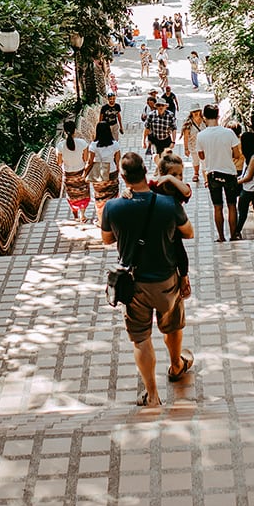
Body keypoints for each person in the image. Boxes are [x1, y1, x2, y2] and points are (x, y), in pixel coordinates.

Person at [102, 151, 194, 406]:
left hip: (134, 285)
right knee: (172, 325)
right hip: (166, 281)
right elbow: (188, 233)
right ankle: (176, 365)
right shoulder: (167, 204)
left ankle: (152, 395)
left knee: (141, 339)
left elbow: (107, 239)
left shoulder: (113, 207)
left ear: (122, 176)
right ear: (146, 171)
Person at [150, 150, 193, 299]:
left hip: (174, 228)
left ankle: (184, 278)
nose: (178, 178)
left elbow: (186, 191)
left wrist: (170, 178)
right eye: (174, 174)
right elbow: (138, 190)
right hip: (156, 227)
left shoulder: (179, 188)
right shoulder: (154, 185)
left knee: (180, 253)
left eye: (180, 174)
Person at [196, 104, 242, 242]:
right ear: (218, 116)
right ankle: (233, 235)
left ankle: (221, 237)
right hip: (229, 172)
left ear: (204, 118)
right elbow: (237, 154)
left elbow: (201, 156)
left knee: (217, 207)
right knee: (232, 205)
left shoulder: (201, 135)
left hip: (212, 174)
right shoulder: (229, 133)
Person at [57, 118, 91, 222]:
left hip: (68, 175)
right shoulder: (82, 143)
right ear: (75, 130)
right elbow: (86, 159)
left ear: (64, 131)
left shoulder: (60, 146)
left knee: (72, 195)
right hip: (81, 173)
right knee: (83, 194)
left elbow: (59, 162)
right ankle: (83, 215)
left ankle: (75, 215)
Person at [84, 121, 120, 219]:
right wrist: (118, 172)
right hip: (111, 172)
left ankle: (101, 220)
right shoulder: (115, 144)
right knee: (113, 196)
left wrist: (85, 173)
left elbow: (90, 162)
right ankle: (114, 217)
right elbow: (117, 161)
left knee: (100, 198)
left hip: (98, 173)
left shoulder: (93, 145)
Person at [181, 105, 204, 182]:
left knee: (205, 161)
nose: (196, 113)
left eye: (197, 111)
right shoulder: (188, 123)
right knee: (195, 160)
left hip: (204, 145)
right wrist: (186, 149)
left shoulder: (204, 120)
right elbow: (186, 137)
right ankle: (196, 173)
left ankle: (206, 177)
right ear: (191, 113)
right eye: (194, 111)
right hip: (193, 145)